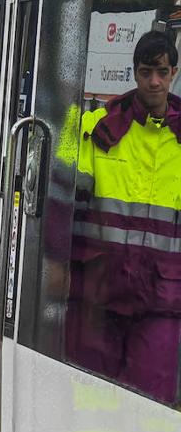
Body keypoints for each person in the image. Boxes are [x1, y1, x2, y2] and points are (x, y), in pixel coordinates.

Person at [66, 30, 181, 404]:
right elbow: (62, 204)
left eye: (162, 72)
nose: (154, 81)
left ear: (174, 73)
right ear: (134, 72)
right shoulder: (100, 129)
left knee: (151, 405)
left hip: (162, 298)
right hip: (100, 291)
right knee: (90, 398)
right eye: (146, 71)